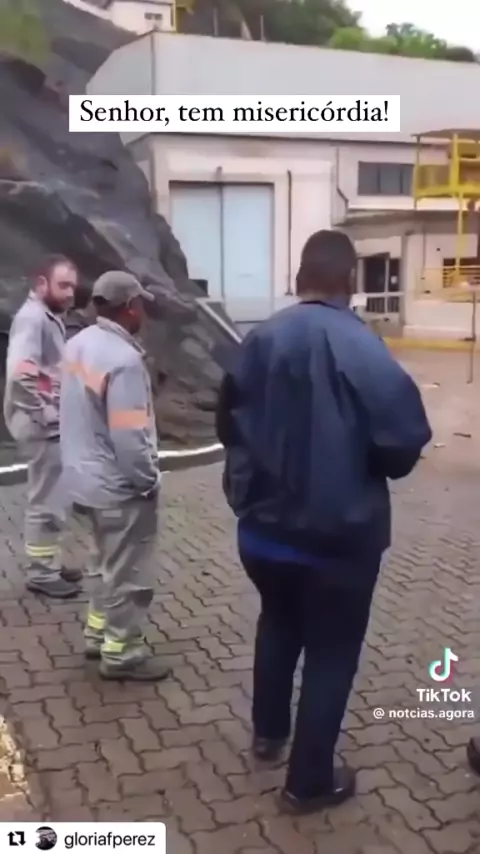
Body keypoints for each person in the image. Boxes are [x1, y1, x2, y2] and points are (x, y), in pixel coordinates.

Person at [216, 229, 432, 815]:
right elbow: (403, 442)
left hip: (263, 534)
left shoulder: (257, 340)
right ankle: (308, 781)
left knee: (278, 620)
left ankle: (268, 734)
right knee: (332, 651)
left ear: (298, 279)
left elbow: (228, 424)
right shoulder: (363, 348)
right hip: (339, 540)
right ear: (350, 282)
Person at [59, 270, 169, 682]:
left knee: (102, 562)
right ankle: (122, 652)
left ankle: (97, 633)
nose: (143, 312)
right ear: (130, 307)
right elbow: (129, 434)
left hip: (83, 479)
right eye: (140, 304)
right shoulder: (124, 361)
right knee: (128, 573)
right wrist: (147, 480)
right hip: (118, 487)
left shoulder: (77, 344)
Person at [3, 254, 82, 598]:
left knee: (54, 497)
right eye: (63, 285)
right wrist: (44, 414)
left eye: (73, 287)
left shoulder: (47, 317)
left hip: (46, 423)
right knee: (47, 500)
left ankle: (48, 562)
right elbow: (21, 374)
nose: (70, 293)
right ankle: (42, 572)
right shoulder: (33, 319)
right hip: (41, 426)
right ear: (41, 283)